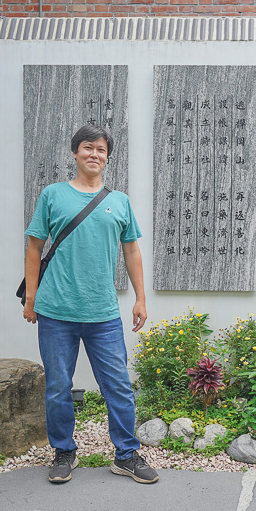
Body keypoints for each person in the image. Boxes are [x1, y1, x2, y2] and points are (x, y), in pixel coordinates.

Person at [23, 124, 158, 485]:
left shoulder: (120, 201)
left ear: (107, 157)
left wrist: (141, 298)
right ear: (75, 153)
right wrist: (32, 298)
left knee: (117, 385)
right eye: (87, 148)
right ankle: (64, 451)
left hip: (103, 313)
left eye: (101, 150)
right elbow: (34, 247)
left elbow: (132, 251)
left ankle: (126, 454)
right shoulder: (53, 195)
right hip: (56, 311)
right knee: (57, 386)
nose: (94, 154)